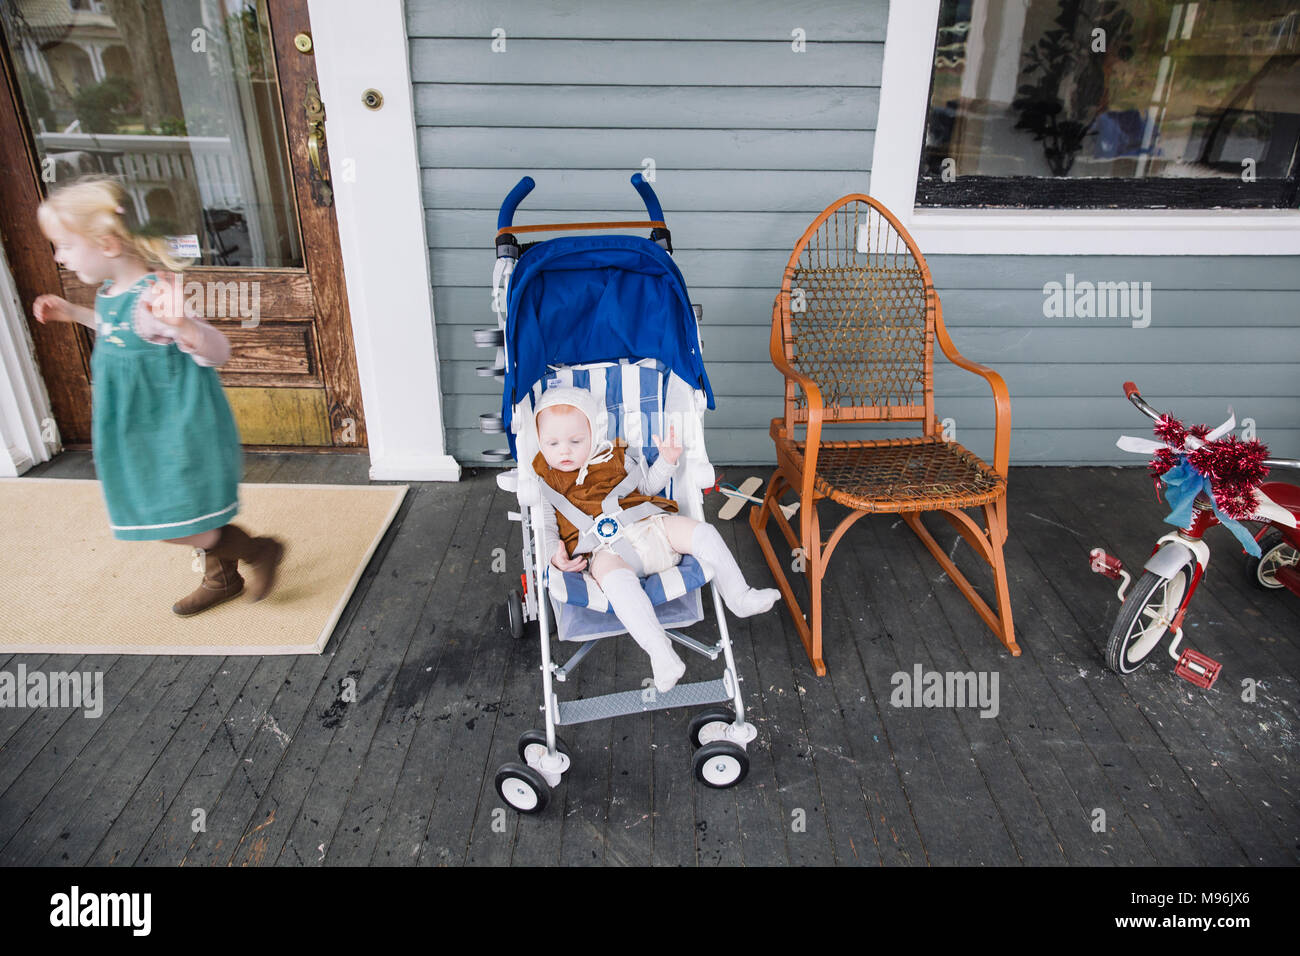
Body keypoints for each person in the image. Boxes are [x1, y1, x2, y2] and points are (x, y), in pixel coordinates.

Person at [33, 174, 284, 616]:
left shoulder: (155, 299)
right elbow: (115, 328)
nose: (59, 256)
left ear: (108, 244)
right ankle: (221, 577)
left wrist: (185, 327)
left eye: (66, 246)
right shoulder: (112, 294)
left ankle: (256, 549)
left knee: (172, 519)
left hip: (172, 426)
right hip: (139, 428)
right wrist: (72, 312)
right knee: (179, 506)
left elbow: (218, 351)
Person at [532, 386, 778, 692]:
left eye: (575, 441)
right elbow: (546, 527)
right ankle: (661, 654)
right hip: (603, 550)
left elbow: (647, 486)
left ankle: (739, 597)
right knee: (613, 580)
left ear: (594, 433)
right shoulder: (547, 481)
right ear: (540, 441)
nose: (563, 451)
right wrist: (554, 556)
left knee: (703, 532)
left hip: (650, 525)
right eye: (552, 443)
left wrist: (667, 461)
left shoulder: (615, 455)